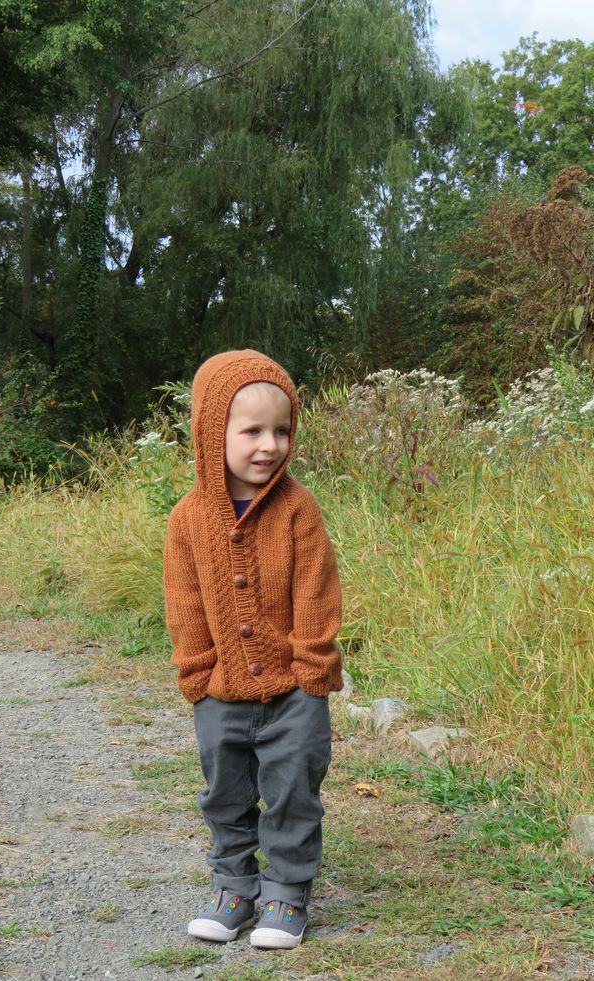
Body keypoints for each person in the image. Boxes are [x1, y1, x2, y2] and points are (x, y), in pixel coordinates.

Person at [163, 349, 343, 950]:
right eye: (253, 431)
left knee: (293, 789)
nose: (270, 444)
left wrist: (314, 668)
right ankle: (234, 886)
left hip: (294, 691)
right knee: (226, 793)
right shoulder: (188, 519)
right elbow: (185, 599)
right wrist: (196, 672)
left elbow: (315, 590)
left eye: (282, 430)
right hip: (220, 692)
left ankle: (287, 893)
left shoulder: (298, 510)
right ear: (213, 434)